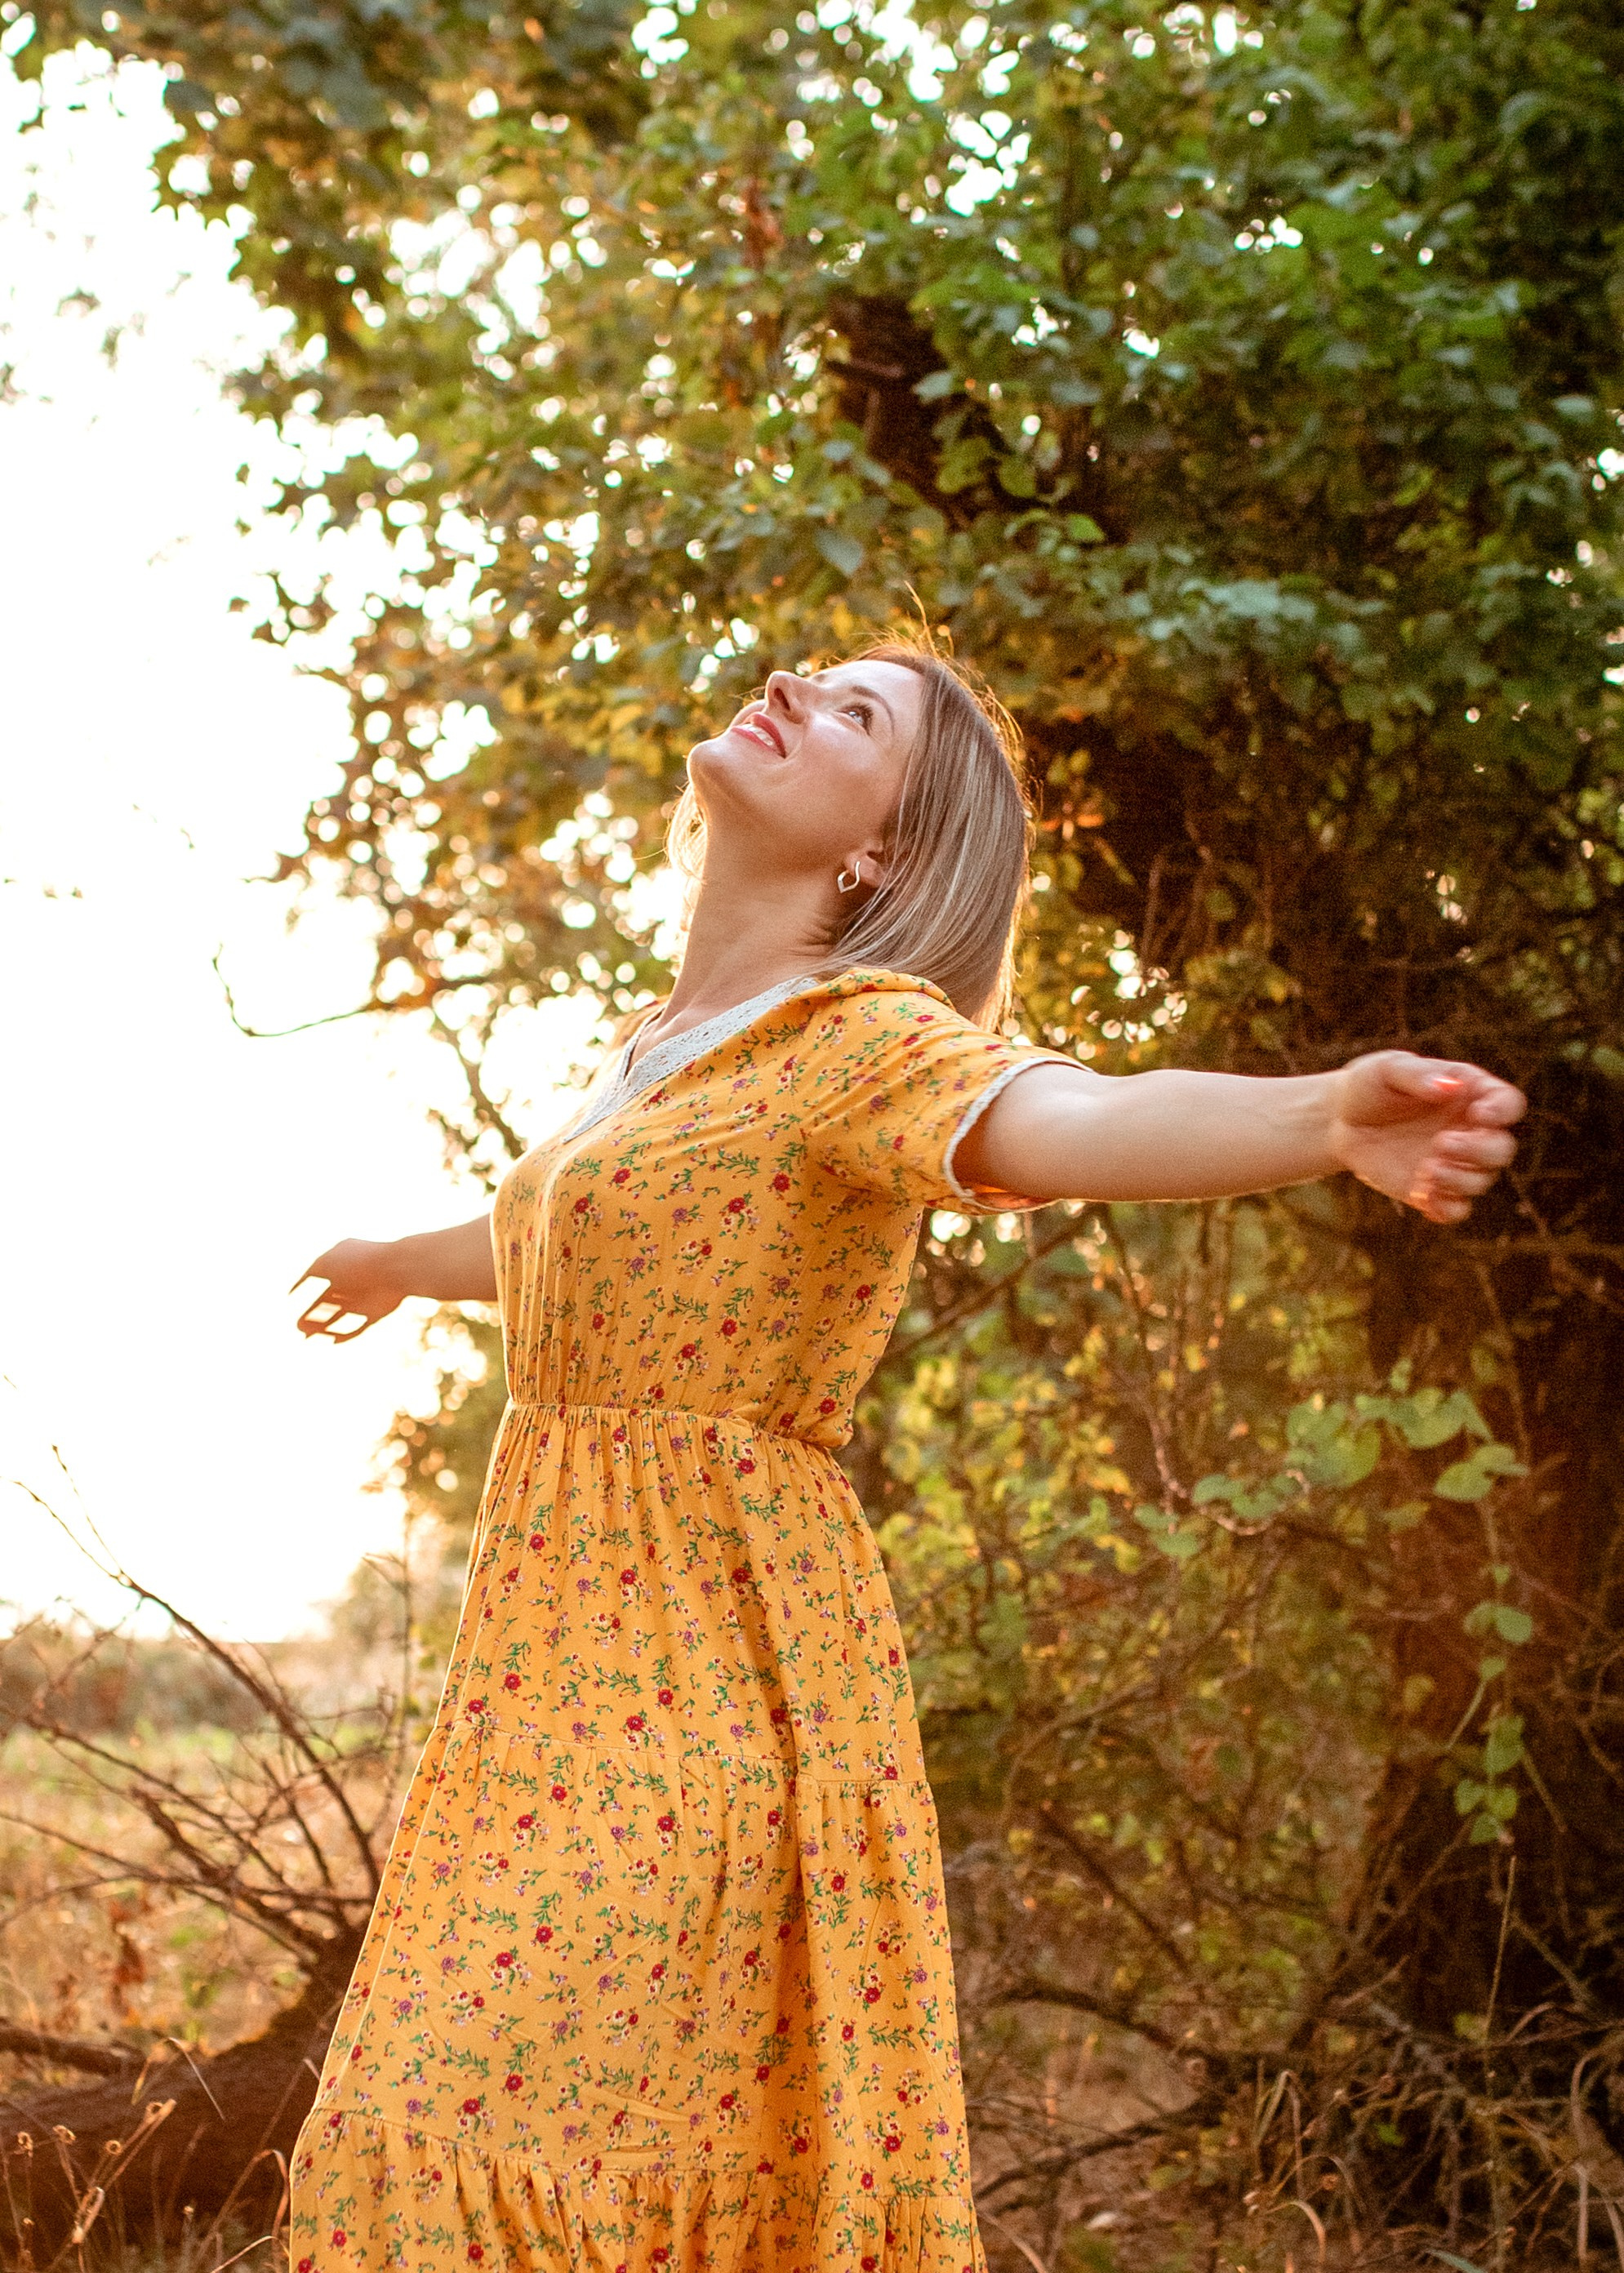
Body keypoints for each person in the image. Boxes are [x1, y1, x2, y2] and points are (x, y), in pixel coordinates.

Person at [286, 639, 1524, 2273]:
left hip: (708, 1679)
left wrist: (1314, 1118)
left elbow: (1071, 1121)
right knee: (444, 2130)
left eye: (858, 711)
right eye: (812, 670)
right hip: (543, 1683)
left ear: (879, 849)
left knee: (467, 2131)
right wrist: (397, 1256)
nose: (799, 685)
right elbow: (568, 1226)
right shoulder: (658, 1049)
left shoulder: (861, 1039)